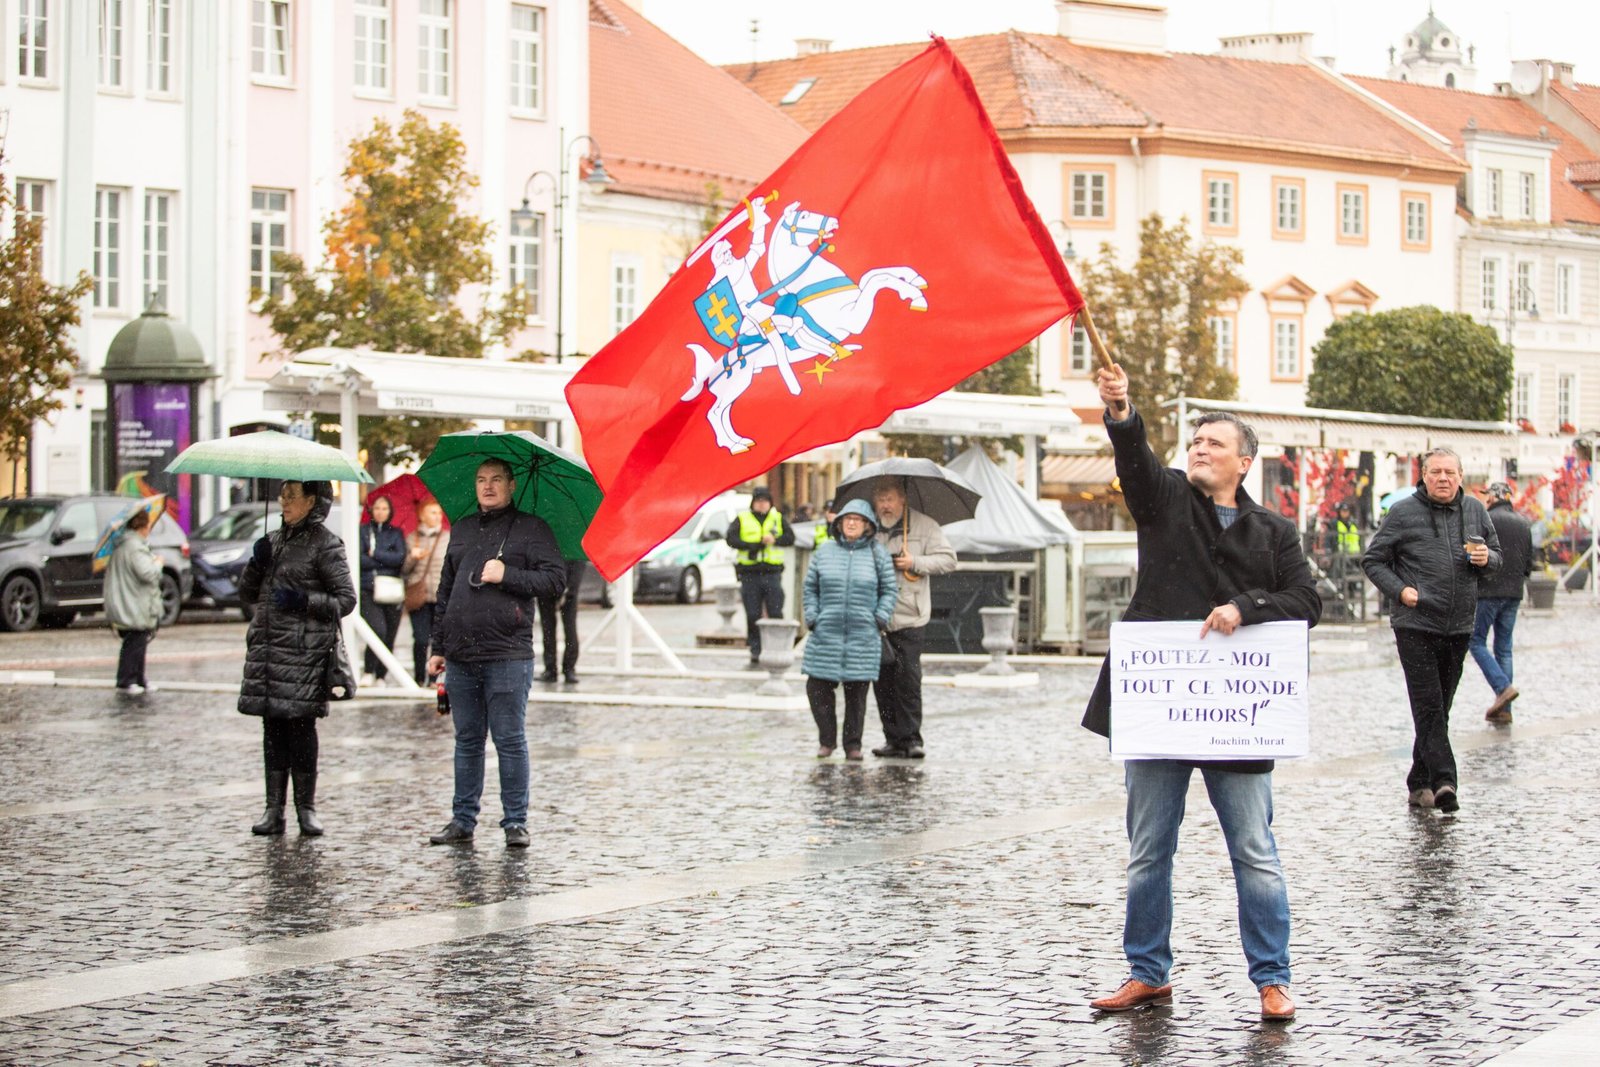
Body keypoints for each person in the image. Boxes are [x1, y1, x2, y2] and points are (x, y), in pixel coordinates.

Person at [1082, 363, 1321, 1023]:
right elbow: (1135, 458)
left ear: (1244, 461)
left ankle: (1273, 979)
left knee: (1255, 851)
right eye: (1195, 442)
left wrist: (1247, 605)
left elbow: (1308, 600)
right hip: (1159, 710)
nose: (1199, 449)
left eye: (1214, 443)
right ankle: (1147, 972)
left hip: (1237, 719)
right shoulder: (1163, 500)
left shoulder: (1274, 531)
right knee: (1149, 849)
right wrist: (1122, 408)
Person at [426, 458, 566, 849]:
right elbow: (446, 589)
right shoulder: (464, 528)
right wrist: (438, 647)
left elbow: (556, 580)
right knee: (467, 739)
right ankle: (462, 819)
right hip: (460, 653)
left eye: (496, 480)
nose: (488, 487)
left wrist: (509, 576)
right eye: (481, 480)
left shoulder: (532, 529)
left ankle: (515, 822)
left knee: (508, 738)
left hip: (508, 653)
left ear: (512, 484)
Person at [1362, 448, 1500, 814]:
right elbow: (1373, 560)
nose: (1443, 478)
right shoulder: (1404, 512)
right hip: (1415, 624)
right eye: (1435, 471)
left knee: (1442, 706)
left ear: (1460, 476)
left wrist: (1489, 559)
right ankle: (1444, 781)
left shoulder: (1475, 510)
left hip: (1458, 625)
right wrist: (1400, 591)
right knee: (1428, 704)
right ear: (1423, 475)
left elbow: (1496, 557)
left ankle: (1417, 780)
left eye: (1449, 472)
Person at [238, 480, 357, 837]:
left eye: (292, 496)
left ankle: (307, 808)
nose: (284, 501)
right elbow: (246, 593)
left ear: (311, 501)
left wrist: (305, 602)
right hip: (269, 650)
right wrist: (256, 563)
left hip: (305, 654)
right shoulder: (273, 541)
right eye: (282, 495)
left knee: (301, 729)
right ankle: (273, 809)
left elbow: (346, 600)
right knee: (272, 730)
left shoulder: (326, 544)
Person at [801, 499, 898, 761]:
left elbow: (889, 590)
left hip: (862, 634)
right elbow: (810, 587)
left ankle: (852, 745)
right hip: (826, 632)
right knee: (817, 687)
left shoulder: (877, 553)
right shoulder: (824, 551)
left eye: (857, 519)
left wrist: (878, 618)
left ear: (868, 525)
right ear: (839, 523)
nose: (852, 523)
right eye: (847, 519)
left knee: (857, 695)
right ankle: (827, 740)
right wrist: (813, 617)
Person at [868, 478, 957, 760]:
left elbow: (948, 560)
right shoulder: (870, 527)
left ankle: (911, 738)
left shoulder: (925, 526)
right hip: (878, 617)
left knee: (907, 680)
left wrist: (915, 562)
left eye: (890, 499)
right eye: (880, 500)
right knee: (882, 682)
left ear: (902, 500)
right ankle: (891, 738)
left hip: (910, 614)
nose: (885, 505)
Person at [1470, 481, 1532, 724]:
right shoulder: (1523, 522)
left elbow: (1472, 555)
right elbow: (1529, 562)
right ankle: (1505, 709)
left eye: (1488, 496)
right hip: (1514, 593)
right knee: (1504, 648)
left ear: (1494, 497)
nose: (1486, 500)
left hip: (1488, 591)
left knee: (1476, 641)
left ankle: (1502, 687)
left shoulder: (1484, 520)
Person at [726, 486, 794, 667]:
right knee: (753, 613)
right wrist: (753, 545)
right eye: (759, 501)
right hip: (750, 573)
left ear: (770, 503)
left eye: (765, 501)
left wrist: (775, 540)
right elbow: (731, 539)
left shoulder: (778, 518)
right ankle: (756, 648)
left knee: (775, 610)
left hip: (772, 573)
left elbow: (790, 538)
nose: (762, 504)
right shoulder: (742, 518)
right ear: (753, 503)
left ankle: (776, 646)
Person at [105, 508, 164, 695]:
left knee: (138, 640)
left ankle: (138, 679)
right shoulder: (134, 546)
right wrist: (158, 563)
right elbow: (147, 574)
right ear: (143, 526)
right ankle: (127, 680)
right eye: (148, 526)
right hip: (135, 601)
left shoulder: (126, 545)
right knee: (135, 640)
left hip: (131, 599)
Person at [358, 495, 406, 685]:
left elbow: (399, 559)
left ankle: (381, 675)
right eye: (377, 508)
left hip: (391, 589)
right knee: (378, 629)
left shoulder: (396, 533)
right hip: (368, 587)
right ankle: (369, 670)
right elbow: (359, 559)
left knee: (390, 633)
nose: (380, 512)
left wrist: (376, 554)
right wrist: (386, 559)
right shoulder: (362, 531)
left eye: (384, 508)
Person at [402, 499, 450, 685]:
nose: (437, 516)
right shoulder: (412, 538)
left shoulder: (448, 537)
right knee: (421, 639)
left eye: (438, 513)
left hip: (441, 596)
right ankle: (419, 677)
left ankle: (434, 678)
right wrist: (413, 558)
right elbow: (404, 570)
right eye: (432, 512)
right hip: (419, 597)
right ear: (422, 515)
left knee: (438, 640)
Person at [537, 558, 588, 684]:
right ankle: (551, 668)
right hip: (548, 587)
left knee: (568, 629)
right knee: (548, 629)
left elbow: (578, 565)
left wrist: (569, 590)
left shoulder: (574, 546)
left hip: (564, 586)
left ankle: (568, 668)